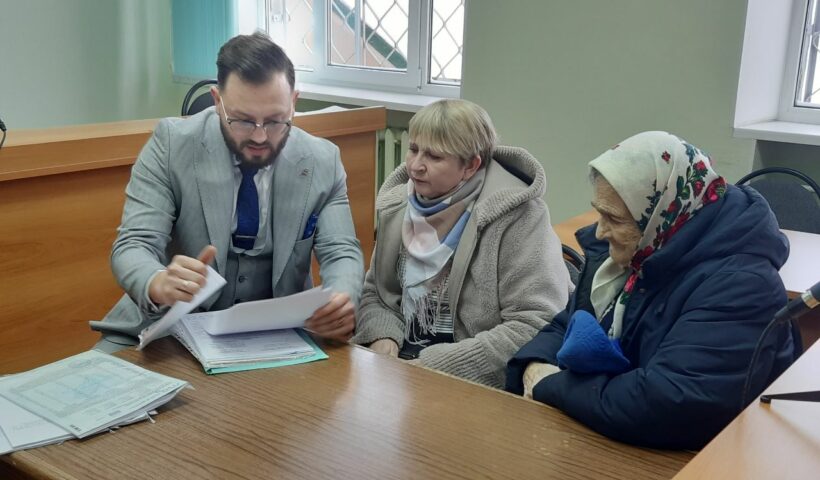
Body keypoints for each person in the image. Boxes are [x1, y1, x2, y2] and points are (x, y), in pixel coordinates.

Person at [506, 131, 799, 450]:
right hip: (610, 430)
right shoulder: (637, 251)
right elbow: (566, 323)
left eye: (614, 218)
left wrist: (550, 384)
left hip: (695, 455)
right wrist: (534, 363)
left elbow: (670, 401)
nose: (600, 231)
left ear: (664, 213)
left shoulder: (743, 285)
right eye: (599, 212)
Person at [90, 33, 363, 351]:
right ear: (217, 101)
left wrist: (341, 300)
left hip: (274, 336)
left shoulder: (322, 161)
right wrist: (157, 281)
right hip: (163, 329)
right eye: (243, 121)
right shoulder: (172, 145)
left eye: (275, 121)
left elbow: (341, 251)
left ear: (294, 102)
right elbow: (133, 245)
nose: (260, 137)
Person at [352, 99, 572, 388]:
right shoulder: (397, 205)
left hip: (473, 379)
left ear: (470, 165)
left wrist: (433, 367)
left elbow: (536, 323)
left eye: (434, 156)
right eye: (414, 149)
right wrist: (383, 339)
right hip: (402, 369)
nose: (415, 166)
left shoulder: (520, 216)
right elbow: (377, 293)